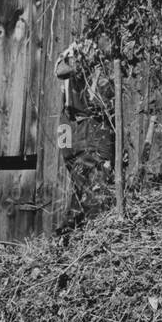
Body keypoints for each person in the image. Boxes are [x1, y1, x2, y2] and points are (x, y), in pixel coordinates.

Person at [55, 41, 115, 225]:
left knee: (89, 179)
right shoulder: (78, 49)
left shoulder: (106, 57)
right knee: (88, 176)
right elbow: (61, 71)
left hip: (86, 122)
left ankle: (72, 227)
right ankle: (83, 225)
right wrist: (84, 59)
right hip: (74, 124)